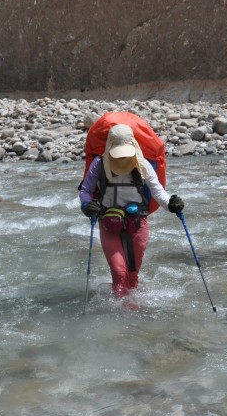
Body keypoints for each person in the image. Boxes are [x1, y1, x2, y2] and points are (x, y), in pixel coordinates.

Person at [79, 124, 185, 299]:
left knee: (133, 274)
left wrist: (172, 204)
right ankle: (124, 315)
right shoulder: (99, 164)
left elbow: (158, 192)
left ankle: (131, 313)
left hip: (137, 221)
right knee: (120, 272)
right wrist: (86, 206)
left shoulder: (142, 164)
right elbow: (86, 191)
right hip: (108, 221)